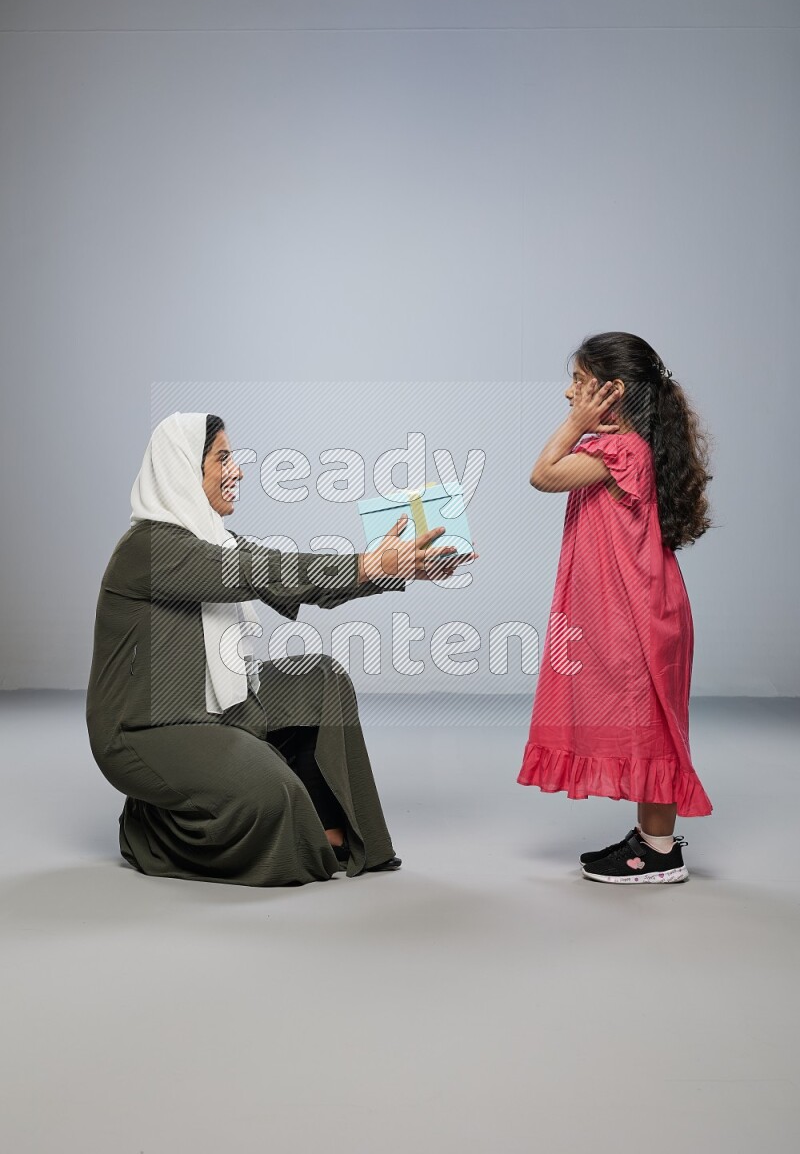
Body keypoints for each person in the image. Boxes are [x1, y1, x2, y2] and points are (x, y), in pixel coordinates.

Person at [86, 411, 475, 888]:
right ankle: (150, 827)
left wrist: (395, 569)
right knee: (274, 793)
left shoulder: (216, 540)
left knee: (320, 679)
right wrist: (368, 563)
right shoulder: (149, 547)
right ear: (184, 468)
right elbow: (262, 572)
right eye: (222, 458)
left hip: (207, 706)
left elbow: (289, 581)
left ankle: (329, 828)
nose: (237, 471)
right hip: (146, 730)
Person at [517, 332, 713, 884]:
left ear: (612, 390)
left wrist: (576, 423)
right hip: (638, 604)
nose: (569, 394)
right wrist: (583, 424)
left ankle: (660, 854)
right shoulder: (626, 448)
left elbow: (542, 475)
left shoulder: (621, 451)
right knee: (647, 720)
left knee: (651, 726)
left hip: (637, 612)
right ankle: (651, 838)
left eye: (579, 383)